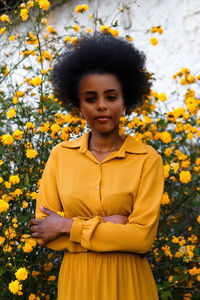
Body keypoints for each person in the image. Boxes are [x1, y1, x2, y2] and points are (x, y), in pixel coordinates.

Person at [31, 33, 164, 300]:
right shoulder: (60, 156)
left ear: (125, 103)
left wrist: (68, 226)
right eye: (91, 99)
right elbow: (46, 232)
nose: (101, 106)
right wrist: (113, 224)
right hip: (77, 284)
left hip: (129, 284)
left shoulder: (147, 159)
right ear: (79, 107)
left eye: (111, 97)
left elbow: (141, 239)